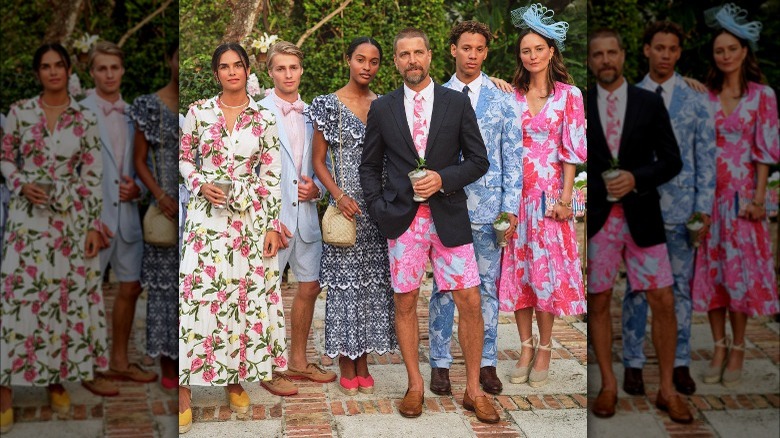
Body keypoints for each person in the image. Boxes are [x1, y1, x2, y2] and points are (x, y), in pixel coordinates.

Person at [360, 27, 498, 423]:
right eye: (404, 55)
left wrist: (444, 178)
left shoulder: (455, 103)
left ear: (431, 56)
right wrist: (378, 206)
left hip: (449, 216)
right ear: (397, 61)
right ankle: (415, 385)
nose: (412, 61)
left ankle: (473, 390)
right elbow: (369, 166)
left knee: (469, 301)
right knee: (405, 300)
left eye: (418, 52)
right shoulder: (383, 108)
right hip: (404, 221)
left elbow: (478, 160)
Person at [0, 43, 108, 433]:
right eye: (45, 66)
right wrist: (20, 183)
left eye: (58, 65)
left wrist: (94, 225)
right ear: (38, 73)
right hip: (26, 223)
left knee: (63, 298)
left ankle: (56, 379)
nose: (52, 72)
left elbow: (93, 174)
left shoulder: (85, 117)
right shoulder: (20, 112)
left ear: (67, 69)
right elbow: (5, 156)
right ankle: (5, 390)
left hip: (71, 222)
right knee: (20, 298)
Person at [586, 29, 692, 423]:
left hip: (643, 216)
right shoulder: (579, 102)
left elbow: (671, 160)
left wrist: (637, 177)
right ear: (592, 60)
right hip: (600, 222)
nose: (605, 60)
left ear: (624, 55)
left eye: (612, 52)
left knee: (662, 300)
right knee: (598, 300)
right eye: (597, 55)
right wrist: (599, 186)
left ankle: (666, 390)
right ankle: (608, 385)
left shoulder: (648, 103)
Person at [178, 43, 284, 434]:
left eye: (238, 65)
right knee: (199, 297)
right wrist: (199, 183)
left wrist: (273, 225)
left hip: (249, 222)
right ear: (216, 73)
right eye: (224, 66)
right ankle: (182, 389)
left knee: (241, 298)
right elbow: (185, 157)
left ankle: (233, 378)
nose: (232, 72)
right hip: (206, 221)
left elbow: (272, 175)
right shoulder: (198, 112)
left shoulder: (263, 117)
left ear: (247, 69)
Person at [621, 21, 716, 397]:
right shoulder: (626, 96)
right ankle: (633, 363)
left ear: (678, 53)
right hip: (639, 207)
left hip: (682, 209)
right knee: (637, 289)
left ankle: (679, 362)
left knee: (679, 289)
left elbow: (705, 156)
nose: (665, 55)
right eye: (658, 47)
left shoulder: (696, 100)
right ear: (646, 50)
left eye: (672, 49)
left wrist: (703, 208)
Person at [428, 21, 522, 397]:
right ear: (453, 49)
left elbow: (512, 156)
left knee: (487, 289)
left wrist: (510, 208)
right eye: (466, 47)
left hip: (489, 210)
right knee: (442, 288)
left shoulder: (503, 99)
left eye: (479, 49)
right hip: (446, 206)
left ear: (486, 52)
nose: (472, 55)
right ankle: (440, 363)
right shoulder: (435, 96)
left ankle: (486, 362)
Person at [497, 4, 586, 389]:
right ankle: (526, 347)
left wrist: (566, 199)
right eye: (525, 51)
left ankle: (547, 347)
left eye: (537, 49)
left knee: (545, 277)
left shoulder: (569, 95)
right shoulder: (510, 95)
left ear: (551, 51)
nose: (531, 56)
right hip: (517, 198)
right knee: (520, 276)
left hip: (550, 199)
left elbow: (572, 150)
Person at [692, 3, 779, 388]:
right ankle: (719, 346)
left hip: (743, 200)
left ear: (744, 51)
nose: (725, 55)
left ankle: (740, 346)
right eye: (719, 50)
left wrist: (759, 199)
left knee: (738, 276)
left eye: (731, 49)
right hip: (710, 200)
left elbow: (765, 152)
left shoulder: (763, 96)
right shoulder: (705, 96)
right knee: (712, 276)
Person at [311, 37, 398, 395]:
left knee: (374, 286)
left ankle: (363, 360)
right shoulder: (327, 105)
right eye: (360, 59)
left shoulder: (387, 105)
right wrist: (339, 195)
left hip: (378, 207)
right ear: (347, 59)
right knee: (346, 288)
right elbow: (317, 161)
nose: (366, 66)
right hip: (346, 207)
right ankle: (347, 361)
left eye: (374, 61)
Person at [258, 41, 336, 394]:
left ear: (301, 70)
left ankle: (298, 362)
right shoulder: (256, 112)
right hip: (270, 221)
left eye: (293, 67)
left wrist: (318, 190)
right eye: (280, 68)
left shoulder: (316, 112)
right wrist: (266, 218)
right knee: (266, 293)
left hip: (306, 218)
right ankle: (268, 366)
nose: (288, 74)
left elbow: (326, 164)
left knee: (309, 287)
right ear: (270, 72)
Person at [79, 41, 157, 388]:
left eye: (114, 67)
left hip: (127, 218)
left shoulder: (134, 113)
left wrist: (139, 189)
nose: (109, 74)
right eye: (102, 68)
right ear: (92, 72)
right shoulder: (77, 112)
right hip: (91, 222)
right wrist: (86, 219)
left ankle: (120, 361)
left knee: (130, 288)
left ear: (122, 70)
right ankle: (88, 368)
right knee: (87, 293)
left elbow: (145, 165)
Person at [129, 42, 180, 391]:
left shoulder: (197, 107)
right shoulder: (149, 106)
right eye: (176, 55)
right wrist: (161, 197)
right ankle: (168, 363)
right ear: (169, 59)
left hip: (198, 207)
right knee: (164, 290)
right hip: (164, 209)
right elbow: (138, 160)